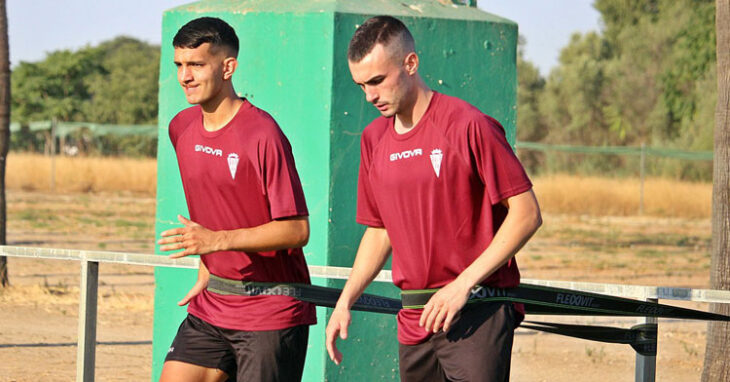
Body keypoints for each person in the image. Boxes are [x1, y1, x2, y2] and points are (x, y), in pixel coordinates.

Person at [325, 15, 542, 382]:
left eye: (377, 81)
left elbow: (526, 213)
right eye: (361, 85)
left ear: (410, 63)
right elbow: (380, 231)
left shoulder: (467, 125)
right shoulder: (373, 140)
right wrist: (345, 301)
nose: (370, 96)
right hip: (414, 319)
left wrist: (463, 285)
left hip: (475, 312)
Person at [157, 17, 315, 382]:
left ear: (228, 67)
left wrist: (218, 241)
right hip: (212, 304)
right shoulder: (180, 127)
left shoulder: (263, 134)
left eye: (197, 64)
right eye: (179, 65)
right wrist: (208, 262)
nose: (185, 77)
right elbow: (217, 205)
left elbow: (296, 229)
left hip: (269, 310)